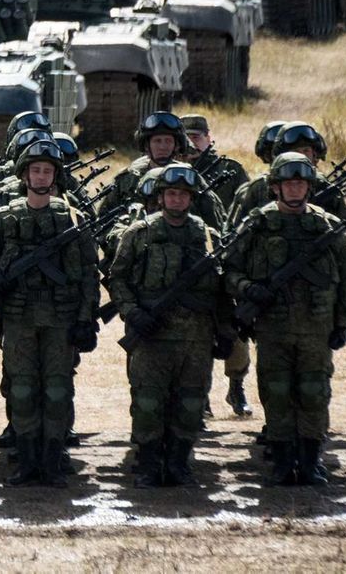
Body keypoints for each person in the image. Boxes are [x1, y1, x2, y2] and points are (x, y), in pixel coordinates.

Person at [224, 152, 346, 486]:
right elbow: (229, 269)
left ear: (309, 187)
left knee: (314, 393)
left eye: (300, 183)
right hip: (273, 328)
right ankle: (283, 463)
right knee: (276, 394)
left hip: (316, 329)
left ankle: (311, 462)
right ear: (275, 187)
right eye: (288, 184)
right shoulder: (256, 224)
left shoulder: (327, 226)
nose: (295, 189)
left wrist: (344, 321)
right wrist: (249, 290)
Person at [0, 140, 99, 488]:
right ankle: (27, 461)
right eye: (35, 170)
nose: (41, 176)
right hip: (19, 319)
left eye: (47, 171)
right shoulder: (4, 218)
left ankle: (53, 461)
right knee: (22, 390)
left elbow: (89, 275)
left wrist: (86, 319)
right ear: (24, 175)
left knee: (58, 390)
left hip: (60, 320)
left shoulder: (73, 220)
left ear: (55, 176)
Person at [107, 163, 236, 488]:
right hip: (152, 337)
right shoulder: (139, 234)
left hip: (196, 339)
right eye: (171, 193)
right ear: (161, 197)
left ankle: (179, 464)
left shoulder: (208, 237)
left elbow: (222, 291)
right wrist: (133, 313)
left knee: (191, 403)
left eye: (183, 194)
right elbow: (118, 278)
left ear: (191, 199)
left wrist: (225, 332)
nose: (177, 199)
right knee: (148, 403)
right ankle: (149, 465)